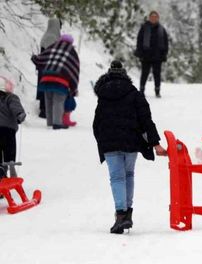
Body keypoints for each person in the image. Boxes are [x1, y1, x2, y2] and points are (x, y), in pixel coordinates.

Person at [92, 61, 167, 234]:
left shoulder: (103, 96)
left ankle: (121, 214)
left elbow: (97, 123)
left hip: (110, 141)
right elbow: (146, 120)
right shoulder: (134, 93)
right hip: (131, 141)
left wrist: (101, 141)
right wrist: (155, 144)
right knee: (128, 175)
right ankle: (127, 214)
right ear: (125, 75)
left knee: (116, 177)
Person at [31, 34, 80, 130]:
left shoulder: (53, 46)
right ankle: (57, 124)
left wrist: (34, 58)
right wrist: (73, 88)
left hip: (47, 78)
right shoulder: (72, 51)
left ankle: (50, 122)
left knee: (48, 101)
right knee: (58, 101)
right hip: (61, 80)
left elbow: (41, 58)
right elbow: (74, 69)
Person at [135, 10, 169, 98]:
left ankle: (157, 91)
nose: (153, 18)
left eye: (155, 17)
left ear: (158, 18)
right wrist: (140, 52)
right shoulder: (144, 28)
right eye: (152, 17)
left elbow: (166, 43)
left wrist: (164, 54)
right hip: (146, 56)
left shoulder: (162, 29)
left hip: (157, 57)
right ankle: (141, 91)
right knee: (144, 74)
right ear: (149, 18)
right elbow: (139, 41)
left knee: (157, 74)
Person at [0, 79, 26, 179]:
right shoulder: (11, 98)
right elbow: (15, 107)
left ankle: (1, 174)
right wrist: (20, 114)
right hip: (7, 131)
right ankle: (9, 167)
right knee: (9, 151)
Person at [37, 18, 61, 118]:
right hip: (49, 67)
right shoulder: (52, 37)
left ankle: (45, 110)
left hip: (43, 66)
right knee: (48, 88)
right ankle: (45, 111)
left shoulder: (46, 35)